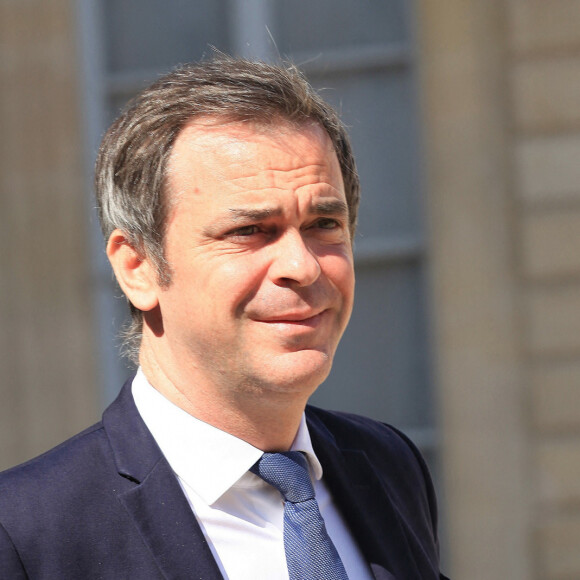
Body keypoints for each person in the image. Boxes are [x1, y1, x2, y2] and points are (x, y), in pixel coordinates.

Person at [0, 56, 449, 579]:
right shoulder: (28, 534)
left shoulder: (386, 466)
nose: (301, 266)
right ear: (137, 267)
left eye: (324, 223)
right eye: (250, 230)